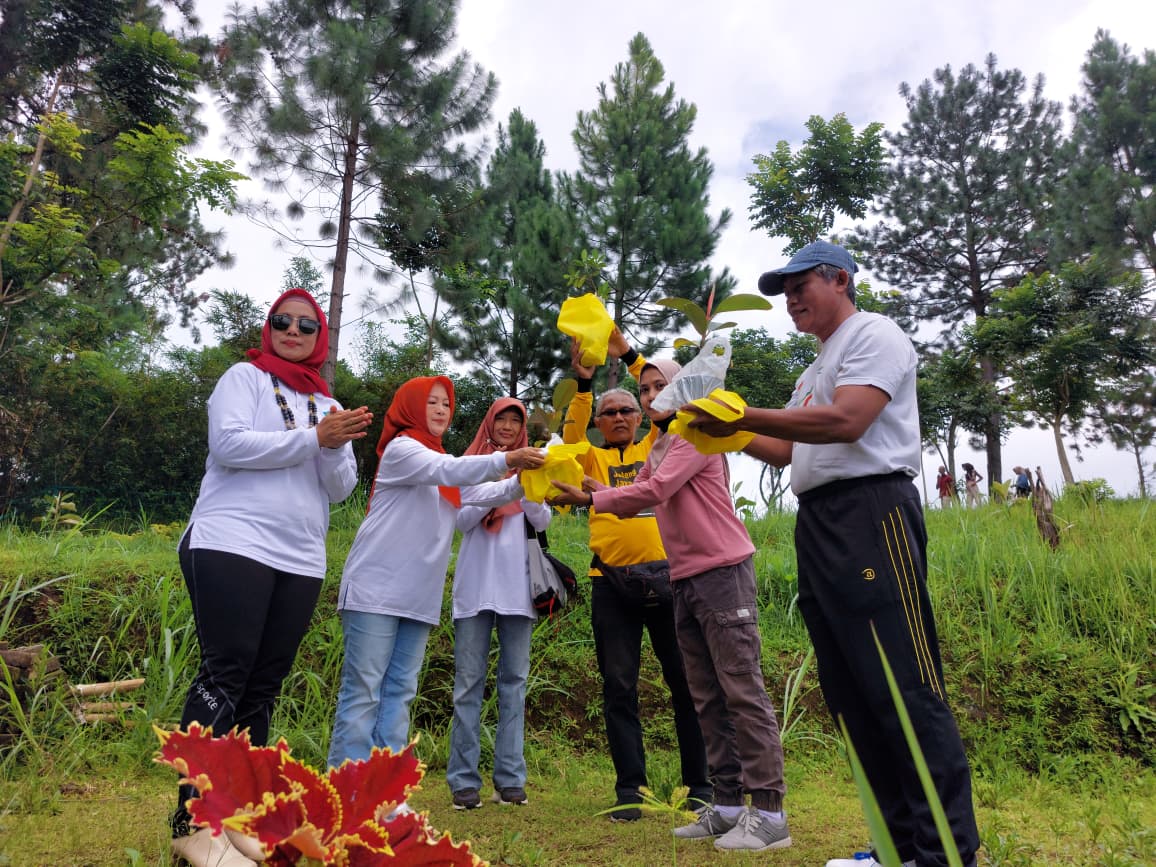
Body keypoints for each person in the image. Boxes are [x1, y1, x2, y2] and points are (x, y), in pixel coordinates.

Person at [684, 241, 980, 867]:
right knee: (852, 689)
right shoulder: (813, 367)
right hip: (820, 522)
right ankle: (897, 846)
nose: (790, 300)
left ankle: (946, 851)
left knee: (904, 684)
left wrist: (744, 413)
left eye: (799, 286)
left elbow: (849, 421)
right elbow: (785, 448)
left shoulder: (875, 334)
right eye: (782, 291)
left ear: (839, 279)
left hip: (875, 514)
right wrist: (721, 428)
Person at [551, 359, 791, 852]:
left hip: (722, 571)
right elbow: (640, 497)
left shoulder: (696, 435)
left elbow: (655, 490)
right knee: (705, 694)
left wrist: (592, 501)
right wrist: (595, 493)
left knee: (741, 691)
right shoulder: (660, 443)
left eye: (663, 385)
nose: (652, 394)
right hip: (682, 577)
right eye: (646, 388)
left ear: (686, 388)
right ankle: (725, 806)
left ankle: (769, 814)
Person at [171, 288, 373, 867]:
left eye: (306, 326)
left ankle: (237, 818)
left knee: (262, 688)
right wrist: (314, 439)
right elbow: (228, 445)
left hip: (300, 555)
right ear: (268, 327)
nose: (293, 330)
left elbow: (340, 488)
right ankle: (192, 820)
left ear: (320, 338)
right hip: (231, 541)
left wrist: (331, 443)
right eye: (282, 321)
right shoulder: (245, 378)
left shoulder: (326, 400)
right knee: (226, 673)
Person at [326, 377, 544, 776]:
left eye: (446, 403)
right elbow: (449, 470)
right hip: (376, 590)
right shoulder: (404, 450)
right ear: (410, 405)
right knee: (363, 694)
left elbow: (480, 494)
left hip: (418, 595)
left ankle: (387, 794)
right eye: (432, 402)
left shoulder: (438, 462)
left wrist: (530, 478)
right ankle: (346, 791)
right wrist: (509, 460)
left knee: (399, 693)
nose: (442, 410)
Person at [560, 332, 711, 821]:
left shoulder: (656, 442)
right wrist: (584, 384)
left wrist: (625, 352)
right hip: (610, 584)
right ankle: (631, 790)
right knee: (618, 686)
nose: (622, 416)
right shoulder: (590, 457)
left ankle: (702, 786)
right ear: (601, 423)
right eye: (611, 412)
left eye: (629, 408)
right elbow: (570, 437)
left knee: (685, 684)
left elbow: (661, 388)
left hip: (668, 579)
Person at [447, 398, 552, 810]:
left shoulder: (532, 465)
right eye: (501, 419)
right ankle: (462, 781)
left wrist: (527, 487)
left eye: (515, 420)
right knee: (468, 685)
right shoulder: (468, 463)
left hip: (518, 589)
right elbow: (460, 518)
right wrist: (507, 483)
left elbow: (541, 521)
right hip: (475, 588)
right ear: (489, 423)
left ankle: (510, 778)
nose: (508, 426)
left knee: (515, 685)